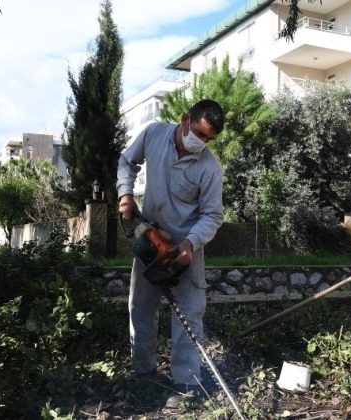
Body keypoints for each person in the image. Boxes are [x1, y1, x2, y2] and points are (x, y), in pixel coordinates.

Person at [116, 99, 225, 407]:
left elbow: (213, 215)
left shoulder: (209, 168)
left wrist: (190, 244)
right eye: (198, 133)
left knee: (190, 314)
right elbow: (127, 161)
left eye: (208, 139)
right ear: (184, 118)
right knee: (141, 308)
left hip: (187, 247)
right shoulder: (153, 135)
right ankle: (144, 373)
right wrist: (125, 194)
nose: (200, 143)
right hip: (150, 240)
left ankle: (186, 384)